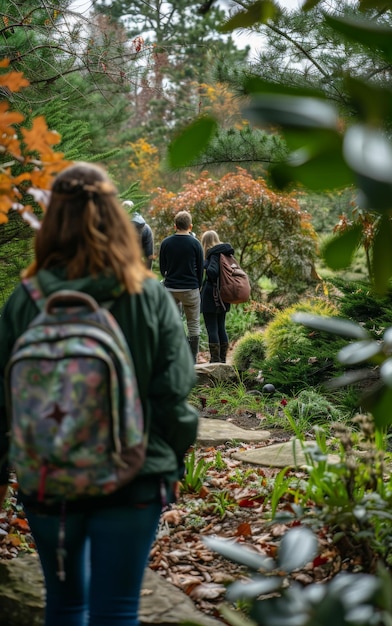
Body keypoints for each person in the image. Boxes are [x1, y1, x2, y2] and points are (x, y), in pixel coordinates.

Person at [0, 162, 199, 626]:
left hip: (48, 480)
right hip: (134, 474)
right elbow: (175, 394)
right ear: (116, 219)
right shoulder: (147, 295)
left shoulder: (24, 300)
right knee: (117, 609)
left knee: (64, 606)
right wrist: (169, 458)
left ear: (50, 224)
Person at [159, 210, 204, 363]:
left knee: (173, 322)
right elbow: (200, 267)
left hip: (170, 289)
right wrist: (198, 286)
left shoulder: (166, 243)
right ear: (190, 226)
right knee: (193, 324)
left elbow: (162, 268)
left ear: (175, 226)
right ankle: (192, 361)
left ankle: (176, 357)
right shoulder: (195, 244)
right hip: (191, 288)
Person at [200, 230, 234, 363]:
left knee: (212, 328)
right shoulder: (226, 253)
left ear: (206, 242)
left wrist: (204, 264)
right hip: (223, 294)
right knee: (221, 326)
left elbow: (213, 272)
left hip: (211, 296)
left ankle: (215, 359)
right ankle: (223, 359)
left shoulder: (213, 254)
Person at [122, 201, 154, 270]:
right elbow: (149, 255)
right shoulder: (146, 228)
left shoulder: (115, 227)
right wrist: (148, 273)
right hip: (137, 267)